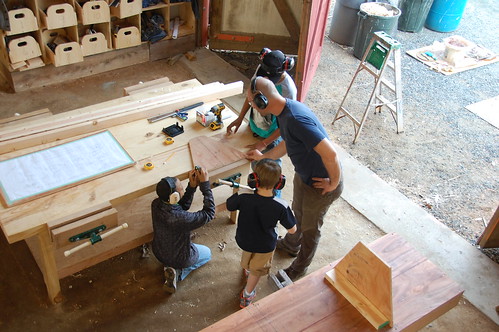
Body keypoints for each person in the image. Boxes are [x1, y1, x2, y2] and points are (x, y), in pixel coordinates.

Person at [245, 77, 343, 281]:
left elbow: (331, 154)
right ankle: (291, 245)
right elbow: (288, 142)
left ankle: (299, 268)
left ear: (263, 100)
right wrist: (264, 157)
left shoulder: (297, 119)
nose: (250, 105)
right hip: (304, 174)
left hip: (321, 183)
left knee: (310, 229)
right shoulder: (282, 113)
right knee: (296, 213)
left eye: (252, 102)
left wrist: (333, 183)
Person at [226, 158, 297, 308]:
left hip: (244, 239)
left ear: (254, 179)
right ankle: (247, 294)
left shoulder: (245, 196)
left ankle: (246, 268)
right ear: (279, 183)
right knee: (257, 270)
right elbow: (293, 230)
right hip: (265, 245)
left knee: (248, 256)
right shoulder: (281, 205)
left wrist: (240, 192)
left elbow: (229, 206)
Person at [151, 166, 215, 294]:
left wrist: (191, 187)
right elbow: (209, 214)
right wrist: (205, 185)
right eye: (181, 188)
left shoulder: (156, 204)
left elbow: (181, 207)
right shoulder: (181, 219)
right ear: (174, 196)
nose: (182, 189)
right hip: (180, 258)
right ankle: (179, 273)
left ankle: (169, 266)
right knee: (207, 253)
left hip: (159, 251)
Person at [226, 48, 297, 158]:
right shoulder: (262, 70)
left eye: (270, 78)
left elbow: (286, 125)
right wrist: (240, 118)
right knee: (250, 159)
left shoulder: (288, 90)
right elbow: (251, 95)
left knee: (267, 166)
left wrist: (264, 143)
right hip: (254, 126)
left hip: (271, 136)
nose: (264, 78)